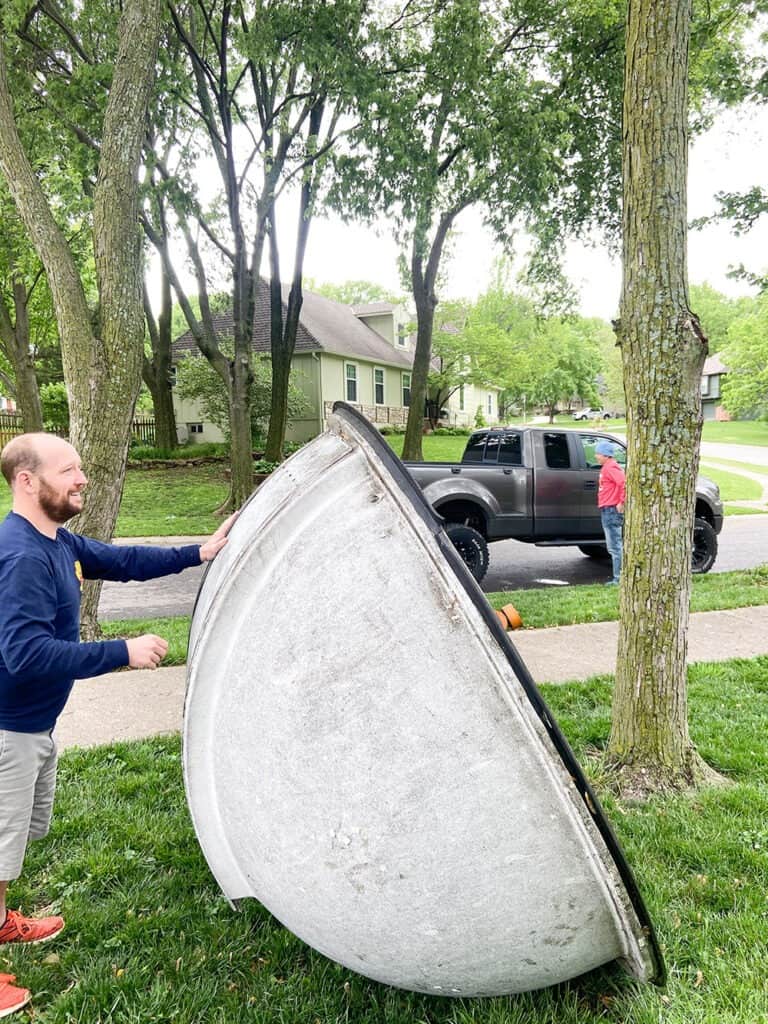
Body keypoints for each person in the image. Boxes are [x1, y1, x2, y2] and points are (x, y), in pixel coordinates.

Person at [0, 432, 237, 1016]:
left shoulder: (54, 540)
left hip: (31, 725)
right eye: (67, 470)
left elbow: (123, 560)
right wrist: (119, 652)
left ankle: (2, 920)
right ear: (26, 481)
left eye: (80, 466)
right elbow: (24, 654)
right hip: (8, 730)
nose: (81, 478)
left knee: (10, 847)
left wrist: (198, 553)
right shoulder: (23, 556)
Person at [594, 439, 625, 585]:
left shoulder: (611, 467)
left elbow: (623, 483)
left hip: (612, 510)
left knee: (615, 546)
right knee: (613, 546)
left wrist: (621, 502)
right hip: (607, 508)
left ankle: (619, 578)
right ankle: (619, 577)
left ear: (606, 455)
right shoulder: (607, 467)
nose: (596, 456)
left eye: (598, 453)